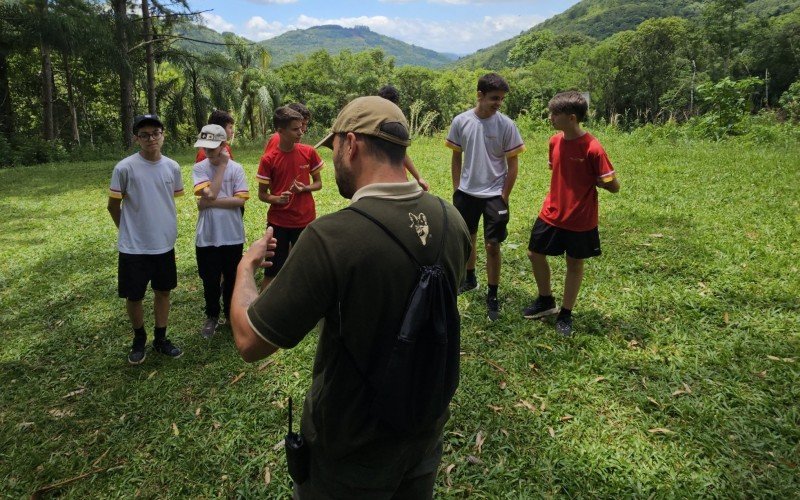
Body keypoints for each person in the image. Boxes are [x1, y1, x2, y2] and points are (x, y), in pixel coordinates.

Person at [230, 95, 471, 498]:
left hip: (348, 451)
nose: (334, 158)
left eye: (335, 147)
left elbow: (250, 341)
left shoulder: (331, 237)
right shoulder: (453, 220)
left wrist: (244, 269)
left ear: (352, 144)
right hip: (424, 436)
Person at [523, 91, 620, 336]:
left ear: (572, 118)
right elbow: (557, 169)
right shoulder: (554, 141)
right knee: (534, 253)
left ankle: (566, 313)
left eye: (556, 113)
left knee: (574, 264)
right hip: (552, 211)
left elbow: (614, 185)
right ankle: (546, 300)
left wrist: (600, 182)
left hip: (580, 217)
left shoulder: (593, 148)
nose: (550, 118)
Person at [446, 72, 525, 321]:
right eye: (494, 98)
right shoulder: (461, 121)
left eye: (501, 99)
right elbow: (456, 156)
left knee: (493, 245)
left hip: (494, 195)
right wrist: (457, 186)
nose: (498, 103)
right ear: (479, 95)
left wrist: (505, 195)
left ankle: (493, 294)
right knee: (467, 239)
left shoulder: (506, 125)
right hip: (466, 193)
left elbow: (513, 164)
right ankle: (469, 278)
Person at [107, 114, 184, 364]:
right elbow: (113, 206)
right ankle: (139, 338)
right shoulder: (124, 168)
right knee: (134, 296)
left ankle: (160, 338)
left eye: (155, 133)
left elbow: (170, 199)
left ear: (163, 135)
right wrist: (127, 231)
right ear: (136, 138)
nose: (151, 138)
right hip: (134, 247)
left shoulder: (172, 167)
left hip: (164, 243)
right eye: (144, 134)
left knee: (163, 292)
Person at [256, 106, 324, 290]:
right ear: (280, 131)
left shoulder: (308, 152)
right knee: (272, 270)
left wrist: (305, 188)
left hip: (305, 219)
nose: (301, 132)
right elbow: (262, 194)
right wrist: (277, 199)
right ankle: (263, 311)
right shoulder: (268, 159)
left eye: (302, 127)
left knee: (305, 268)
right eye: (295, 129)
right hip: (278, 222)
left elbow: (319, 183)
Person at [192, 124, 250, 338]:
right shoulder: (199, 168)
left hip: (232, 234)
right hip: (207, 234)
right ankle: (212, 316)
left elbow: (239, 201)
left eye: (212, 146)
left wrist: (208, 203)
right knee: (209, 278)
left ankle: (230, 314)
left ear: (223, 145)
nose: (207, 151)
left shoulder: (237, 168)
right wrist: (222, 167)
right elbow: (212, 192)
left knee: (232, 278)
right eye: (205, 146)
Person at [377, 84, 430, 192]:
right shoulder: (396, 122)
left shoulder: (373, 121)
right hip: (391, 178)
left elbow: (401, 152)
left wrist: (419, 178)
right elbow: (402, 152)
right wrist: (418, 178)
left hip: (384, 179)